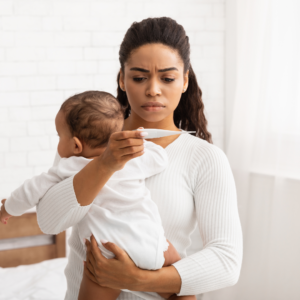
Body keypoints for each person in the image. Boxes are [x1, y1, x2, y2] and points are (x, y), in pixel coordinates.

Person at [36, 17, 243, 300]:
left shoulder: (204, 158)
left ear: (184, 81)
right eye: (139, 77)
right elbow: (48, 222)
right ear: (122, 78)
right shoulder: (85, 141)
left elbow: (226, 261)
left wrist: (138, 279)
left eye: (167, 78)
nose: (153, 90)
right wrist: (106, 163)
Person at [0, 90, 196, 300]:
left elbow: (31, 190)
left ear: (76, 145)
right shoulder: (133, 158)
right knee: (181, 285)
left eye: (59, 136)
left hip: (105, 255)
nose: (58, 143)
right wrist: (142, 141)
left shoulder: (69, 167)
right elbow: (160, 159)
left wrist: (7, 208)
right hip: (151, 244)